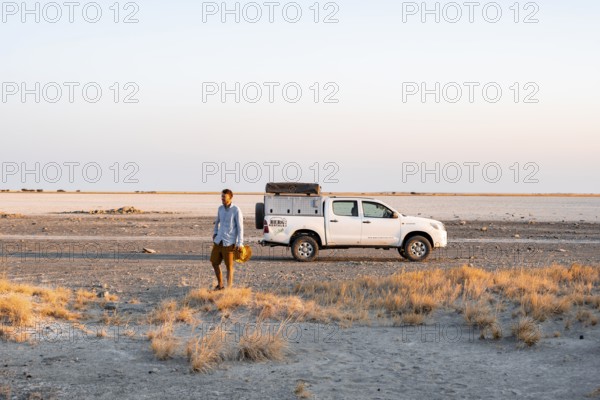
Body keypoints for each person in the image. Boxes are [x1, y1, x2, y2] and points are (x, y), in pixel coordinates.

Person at [210, 189, 243, 290]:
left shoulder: (236, 210)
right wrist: (215, 233)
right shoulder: (220, 208)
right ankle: (220, 285)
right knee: (214, 262)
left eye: (224, 197)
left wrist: (240, 243)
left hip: (229, 242)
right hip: (218, 240)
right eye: (222, 196)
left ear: (230, 197)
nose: (222, 198)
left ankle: (229, 288)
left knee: (229, 267)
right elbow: (217, 222)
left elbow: (240, 227)